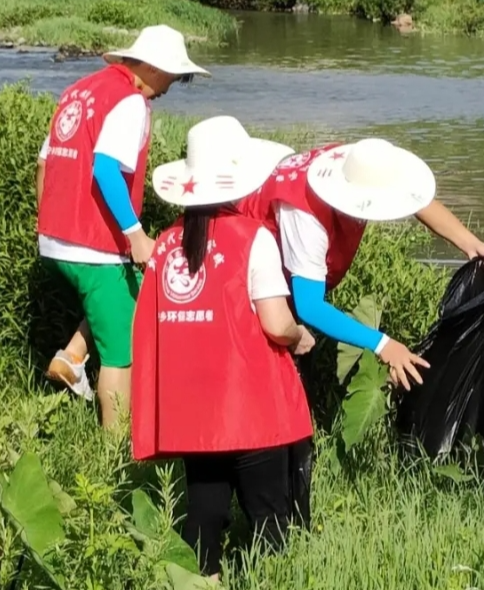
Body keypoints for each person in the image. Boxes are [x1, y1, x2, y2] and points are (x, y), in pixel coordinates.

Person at [131, 116, 315, 581]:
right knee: (269, 516)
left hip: (194, 412)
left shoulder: (166, 243)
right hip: (250, 404)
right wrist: (300, 336)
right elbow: (275, 322)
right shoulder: (253, 238)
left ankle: (202, 581)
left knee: (205, 513)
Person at [35, 25, 210, 428]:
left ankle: (72, 356)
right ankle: (114, 449)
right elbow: (105, 169)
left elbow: (44, 163)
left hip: (53, 243)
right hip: (92, 247)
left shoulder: (78, 91)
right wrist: (136, 234)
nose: (170, 87)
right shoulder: (131, 102)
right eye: (173, 77)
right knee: (120, 354)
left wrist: (45, 224)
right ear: (152, 68)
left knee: (130, 290)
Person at [237, 138, 484, 390]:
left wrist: (471, 243)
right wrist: (383, 344)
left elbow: (416, 201)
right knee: (267, 372)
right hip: (242, 275)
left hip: (283, 266)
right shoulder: (305, 215)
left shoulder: (355, 167)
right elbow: (310, 306)